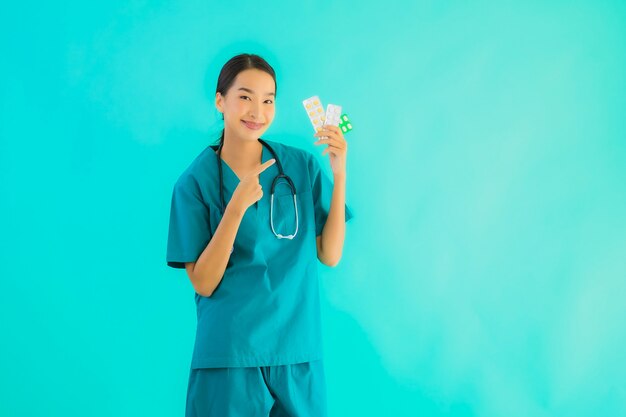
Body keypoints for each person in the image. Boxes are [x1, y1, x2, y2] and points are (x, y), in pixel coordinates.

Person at [166, 53, 353, 417]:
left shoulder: (299, 166)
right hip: (230, 354)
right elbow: (203, 282)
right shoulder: (194, 182)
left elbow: (328, 254)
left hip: (296, 351)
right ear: (220, 100)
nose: (257, 111)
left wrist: (340, 173)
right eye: (245, 97)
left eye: (268, 100)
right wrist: (235, 208)